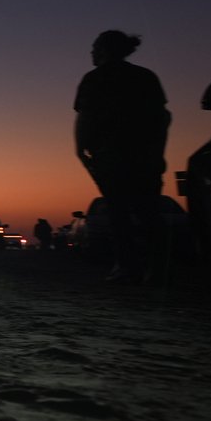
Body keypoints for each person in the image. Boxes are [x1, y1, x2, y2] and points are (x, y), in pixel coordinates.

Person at [73, 30, 171, 282]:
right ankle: (158, 267)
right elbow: (162, 119)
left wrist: (80, 149)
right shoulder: (145, 77)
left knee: (118, 213)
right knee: (148, 211)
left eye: (95, 48)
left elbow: (85, 117)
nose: (92, 53)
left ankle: (128, 266)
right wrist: (158, 152)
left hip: (112, 156)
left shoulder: (95, 79)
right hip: (144, 155)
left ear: (105, 50)